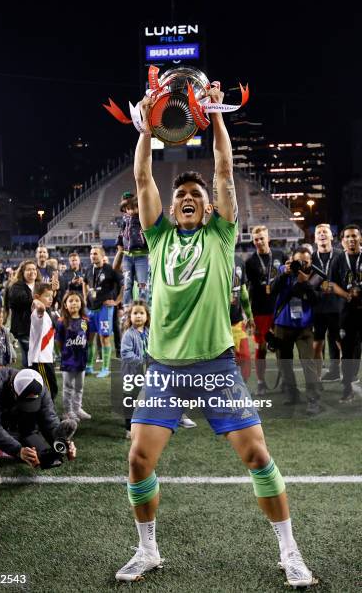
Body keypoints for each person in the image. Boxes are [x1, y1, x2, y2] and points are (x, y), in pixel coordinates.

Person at [115, 87, 313, 588]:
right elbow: (141, 178)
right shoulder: (157, 236)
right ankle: (147, 550)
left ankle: (289, 552)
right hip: (162, 367)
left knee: (257, 456)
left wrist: (219, 117)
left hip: (215, 367)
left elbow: (223, 170)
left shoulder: (221, 237)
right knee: (138, 459)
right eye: (180, 195)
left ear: (208, 210)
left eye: (194, 197)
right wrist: (144, 132)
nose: (185, 198)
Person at [0, 368, 77, 483]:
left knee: (42, 455)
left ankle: (13, 446)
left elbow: (49, 420)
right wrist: (18, 450)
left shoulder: (41, 388)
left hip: (9, 414)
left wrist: (61, 443)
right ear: (12, 388)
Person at [271, 247, 323, 414]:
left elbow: (316, 300)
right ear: (291, 260)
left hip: (304, 326)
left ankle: (313, 399)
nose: (301, 265)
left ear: (310, 262)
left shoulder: (315, 275)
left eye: (305, 262)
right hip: (282, 324)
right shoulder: (282, 269)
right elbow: (272, 290)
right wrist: (285, 274)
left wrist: (305, 283)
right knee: (283, 362)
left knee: (308, 363)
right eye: (298, 261)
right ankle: (292, 393)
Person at [245, 226, 285, 395]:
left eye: (262, 238)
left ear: (268, 238)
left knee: (281, 347)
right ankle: (261, 382)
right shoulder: (250, 262)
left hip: (279, 308)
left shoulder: (280, 256)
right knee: (260, 347)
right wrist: (249, 315)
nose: (259, 242)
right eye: (256, 239)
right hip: (260, 310)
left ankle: (285, 380)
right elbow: (247, 289)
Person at [329, 224, 362, 402]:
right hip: (347, 313)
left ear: (360, 238)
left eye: (354, 236)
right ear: (342, 241)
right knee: (348, 352)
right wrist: (347, 295)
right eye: (347, 237)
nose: (351, 240)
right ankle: (347, 388)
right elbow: (331, 284)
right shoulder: (339, 260)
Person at [84, 246, 123, 378]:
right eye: (91, 254)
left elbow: (124, 284)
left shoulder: (110, 269)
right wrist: (85, 298)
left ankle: (105, 368)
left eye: (95, 254)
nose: (92, 256)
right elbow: (85, 283)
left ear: (102, 255)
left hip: (105, 309)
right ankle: (89, 366)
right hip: (90, 308)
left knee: (104, 337)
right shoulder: (88, 269)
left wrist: (117, 301)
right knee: (89, 338)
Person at [311, 224, 342, 381]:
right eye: (319, 233)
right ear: (315, 238)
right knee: (317, 343)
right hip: (317, 308)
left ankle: (340, 372)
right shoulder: (311, 258)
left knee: (339, 341)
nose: (322, 234)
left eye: (325, 232)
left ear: (331, 236)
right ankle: (317, 377)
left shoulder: (340, 255)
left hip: (337, 306)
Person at [55, 291, 92, 421]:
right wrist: (64, 354)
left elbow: (88, 339)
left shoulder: (85, 321)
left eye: (77, 300)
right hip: (68, 361)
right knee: (68, 387)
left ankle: (77, 408)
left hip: (81, 360)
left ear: (81, 303)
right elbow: (59, 342)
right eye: (71, 301)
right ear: (65, 305)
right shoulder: (62, 322)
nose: (74, 303)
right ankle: (67, 411)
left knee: (79, 386)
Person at [114, 192, 149, 308]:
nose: (130, 211)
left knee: (142, 284)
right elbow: (122, 232)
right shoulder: (125, 219)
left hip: (141, 255)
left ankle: (144, 307)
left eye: (132, 208)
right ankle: (126, 308)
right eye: (127, 208)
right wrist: (119, 243)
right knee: (127, 284)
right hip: (127, 256)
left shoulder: (143, 217)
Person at [121, 300, 150, 439]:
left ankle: (141, 423)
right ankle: (128, 428)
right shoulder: (128, 334)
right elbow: (126, 354)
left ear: (147, 316)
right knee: (130, 400)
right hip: (131, 374)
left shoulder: (149, 333)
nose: (138, 316)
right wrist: (143, 362)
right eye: (135, 313)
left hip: (145, 374)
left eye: (141, 313)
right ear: (130, 316)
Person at [28, 283, 59, 401]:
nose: (50, 298)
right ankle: (48, 416)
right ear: (37, 296)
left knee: (51, 389)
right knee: (47, 391)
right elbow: (40, 307)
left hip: (46, 359)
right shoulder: (37, 314)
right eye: (47, 296)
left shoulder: (47, 313)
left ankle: (48, 415)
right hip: (40, 360)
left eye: (51, 296)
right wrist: (35, 301)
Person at [8, 260, 41, 367]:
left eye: (34, 269)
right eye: (28, 269)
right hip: (24, 327)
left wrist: (53, 291)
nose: (32, 271)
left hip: (39, 326)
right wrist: (38, 300)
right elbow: (22, 300)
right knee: (29, 355)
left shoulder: (39, 286)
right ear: (22, 272)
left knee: (37, 355)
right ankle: (29, 378)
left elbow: (49, 302)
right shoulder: (16, 286)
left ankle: (35, 377)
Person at [230, 252, 254, 382]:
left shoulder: (238, 261)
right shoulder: (211, 258)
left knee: (244, 357)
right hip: (215, 323)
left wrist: (249, 315)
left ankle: (241, 389)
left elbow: (243, 291)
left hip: (236, 322)